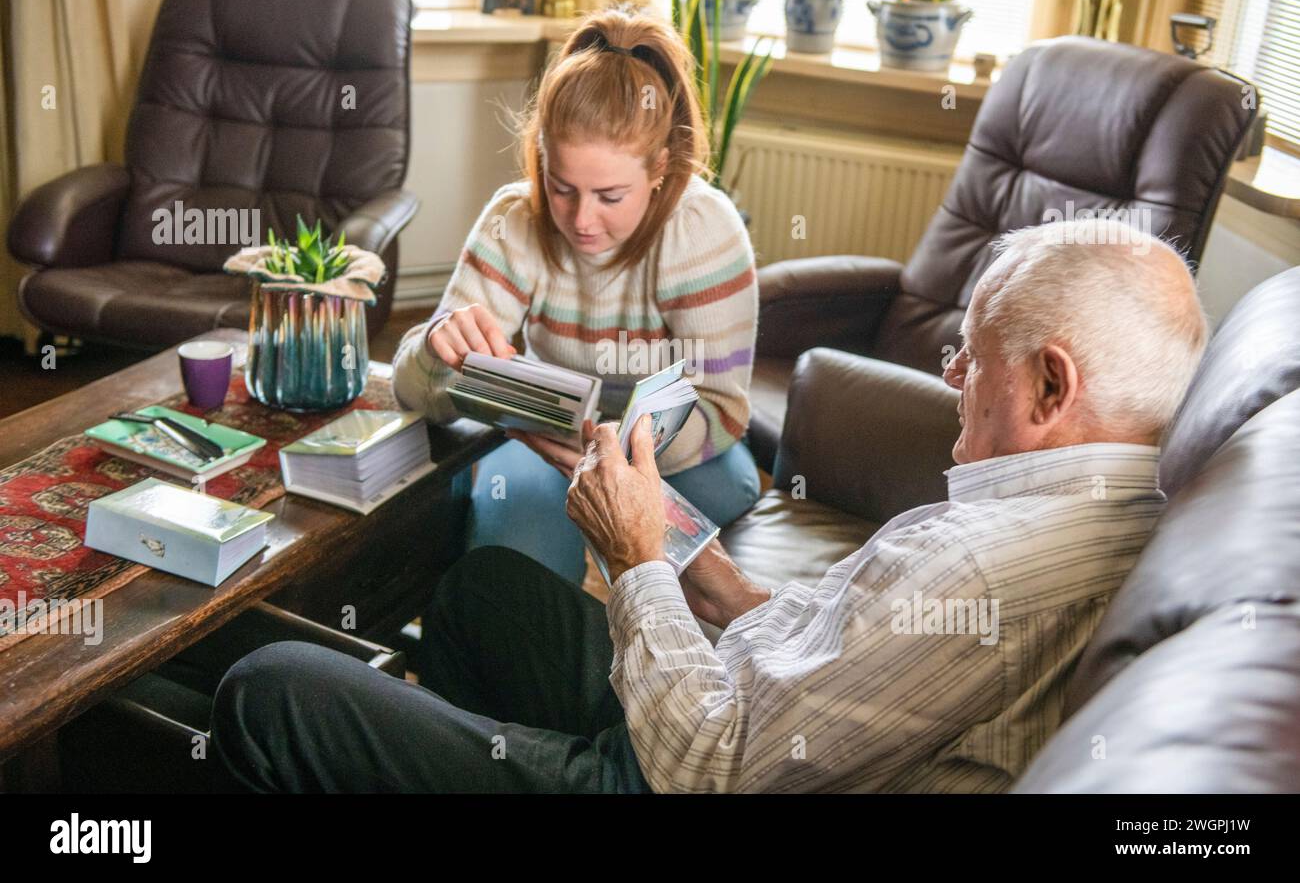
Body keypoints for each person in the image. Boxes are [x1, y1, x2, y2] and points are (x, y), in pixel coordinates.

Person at [211, 217, 1209, 792]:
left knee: (270, 682)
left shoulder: (981, 564)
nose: (952, 379)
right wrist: (697, 562)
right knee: (485, 590)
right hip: (729, 709)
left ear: (1048, 384)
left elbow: (710, 764)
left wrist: (637, 557)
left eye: (970, 357)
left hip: (684, 766)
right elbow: (835, 662)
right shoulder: (1107, 510)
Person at [390, 4, 760, 585]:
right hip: (548, 444)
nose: (581, 220)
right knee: (512, 562)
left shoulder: (701, 230)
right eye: (562, 188)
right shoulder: (515, 218)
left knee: (703, 535)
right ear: (541, 158)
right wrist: (436, 349)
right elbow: (416, 394)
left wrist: (614, 462)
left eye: (610, 196)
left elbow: (720, 408)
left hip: (674, 454)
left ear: (661, 167)